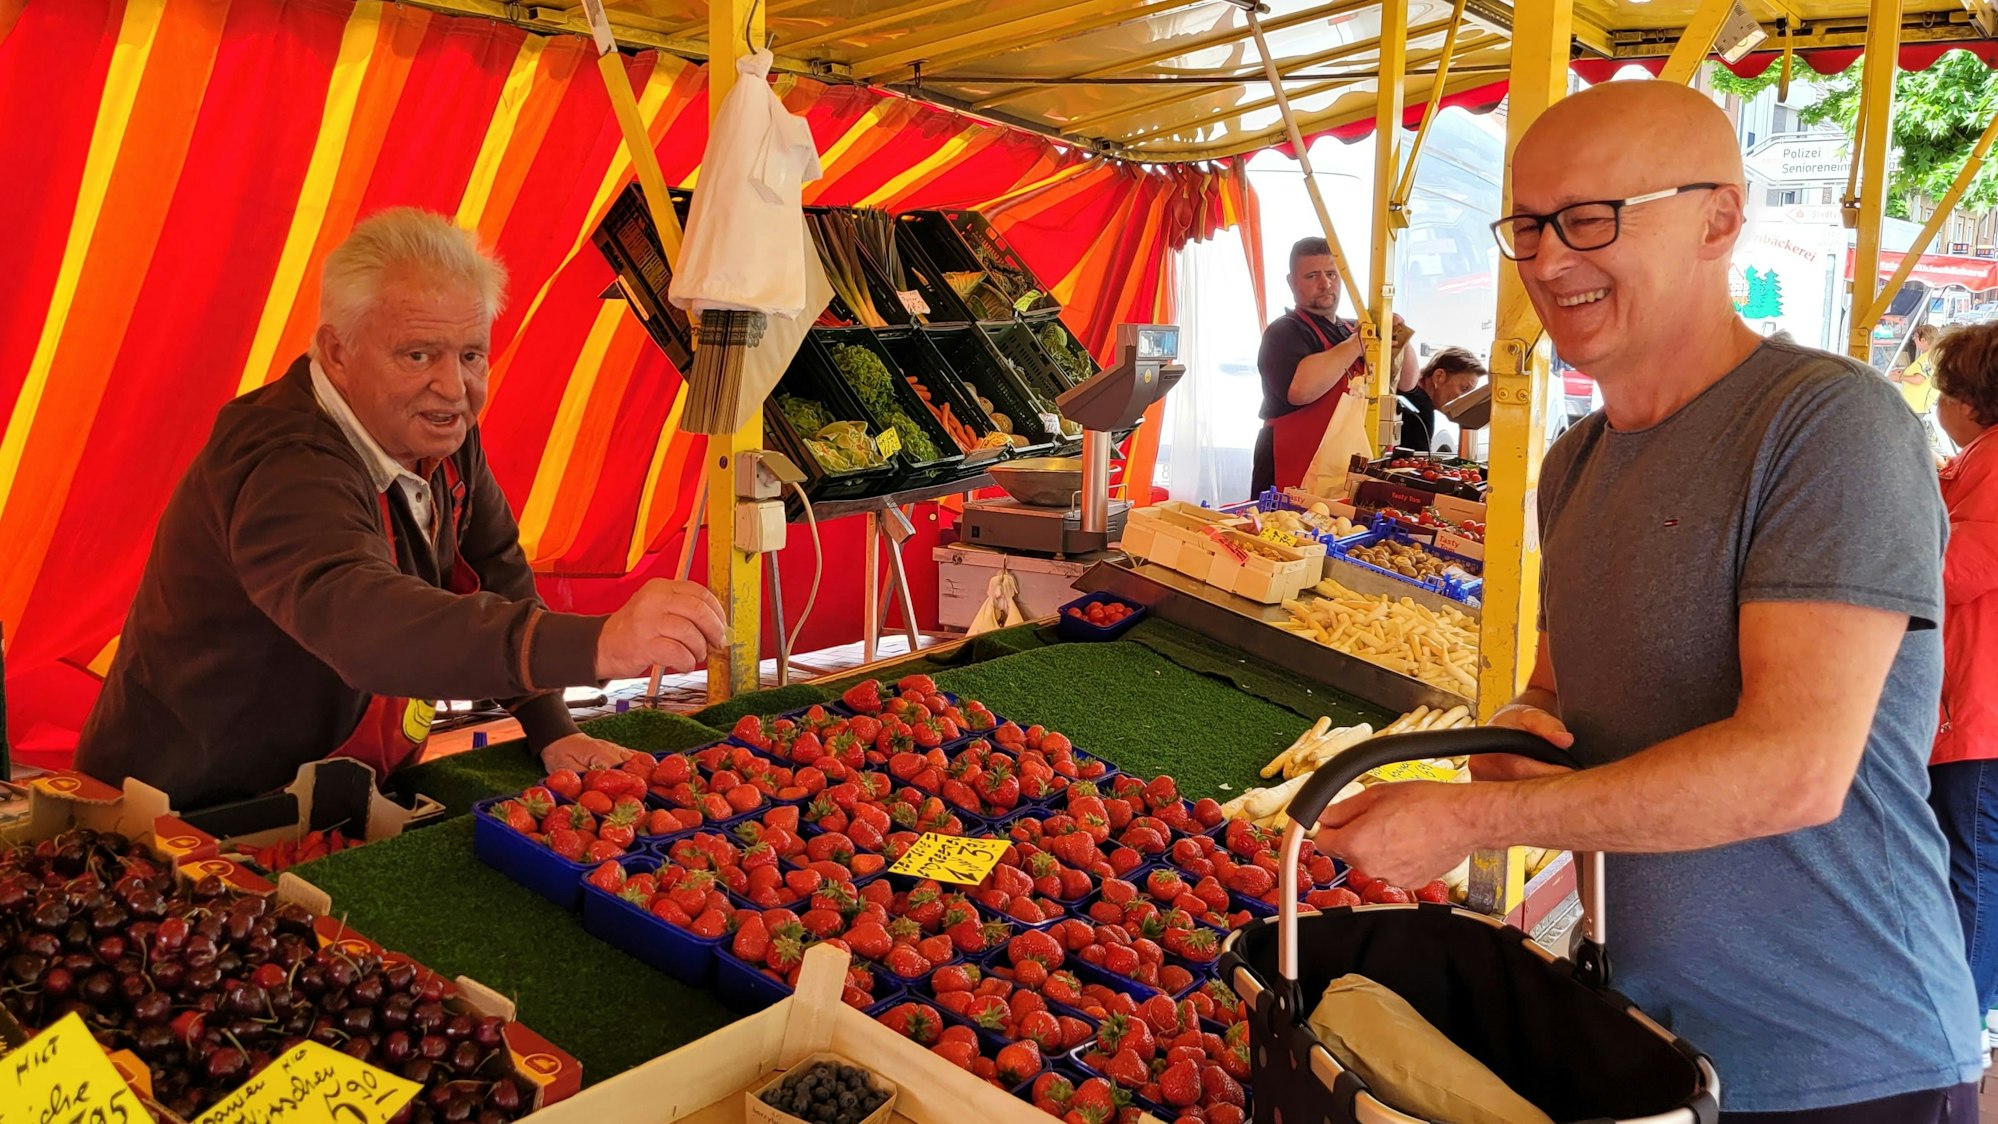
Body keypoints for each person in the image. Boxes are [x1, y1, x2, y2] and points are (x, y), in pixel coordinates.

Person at [1314, 81, 1982, 1121]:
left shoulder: (1827, 426)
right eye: (1528, 226)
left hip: (1845, 1055)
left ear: (1720, 216)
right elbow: (1553, 692)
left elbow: (1794, 768)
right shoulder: (1574, 463)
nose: (1545, 260)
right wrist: (1524, 734)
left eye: (1591, 218)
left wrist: (1477, 811)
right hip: (1650, 1040)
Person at [76, 209, 727, 808]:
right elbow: (364, 620)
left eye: (471, 355)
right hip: (185, 802)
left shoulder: (438, 432)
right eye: (418, 355)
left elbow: (494, 565)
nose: (453, 386)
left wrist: (548, 725)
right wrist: (599, 644)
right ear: (336, 352)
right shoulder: (284, 460)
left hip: (331, 784)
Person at [1927, 322, 1998, 1054]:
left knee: (1973, 866)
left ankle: (1959, 1027)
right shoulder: (1974, 462)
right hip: (1973, 707)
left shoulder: (1995, 464)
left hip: (1980, 712)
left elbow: (1954, 571)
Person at [1250, 237, 1418, 497]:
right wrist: (1356, 344)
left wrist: (1397, 336)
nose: (1325, 284)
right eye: (1312, 276)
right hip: (1290, 468)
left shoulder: (1354, 329)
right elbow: (1301, 390)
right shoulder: (1284, 332)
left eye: (1331, 274)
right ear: (1292, 282)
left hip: (1344, 470)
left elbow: (1408, 382)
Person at [1394, 347, 1485, 454]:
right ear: (1439, 376)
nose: (1467, 399)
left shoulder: (1411, 395)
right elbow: (1415, 464)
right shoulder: (1421, 407)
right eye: (1464, 389)